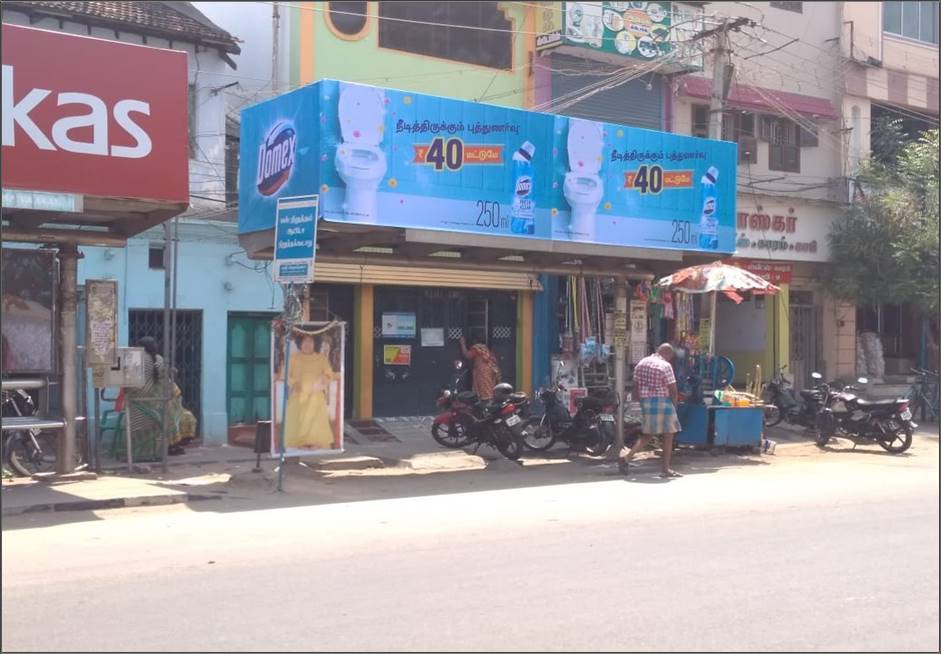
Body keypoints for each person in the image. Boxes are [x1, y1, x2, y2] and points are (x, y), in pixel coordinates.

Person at [619, 343, 683, 479]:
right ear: (668, 354)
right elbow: (673, 389)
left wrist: (636, 402)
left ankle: (628, 458)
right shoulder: (665, 366)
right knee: (668, 434)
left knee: (649, 433)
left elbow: (635, 386)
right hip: (662, 402)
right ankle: (663, 469)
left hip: (645, 401)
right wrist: (675, 406)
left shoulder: (641, 363)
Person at [124, 337, 185, 458]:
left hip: (137, 401)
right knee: (155, 429)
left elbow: (129, 383)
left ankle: (137, 454)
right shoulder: (159, 359)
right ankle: (155, 453)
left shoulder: (136, 358)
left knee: (136, 427)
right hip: (155, 402)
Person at [284, 332, 339, 450]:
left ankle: (316, 443)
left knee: (316, 420)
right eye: (305, 341)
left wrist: (324, 379)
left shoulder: (321, 358)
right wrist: (294, 383)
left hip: (316, 394)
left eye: (310, 341)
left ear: (315, 344)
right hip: (298, 394)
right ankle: (299, 443)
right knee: (297, 420)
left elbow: (329, 374)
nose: (307, 344)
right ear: (300, 343)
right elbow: (286, 374)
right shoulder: (294, 358)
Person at [459, 335, 501, 401]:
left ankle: (486, 403)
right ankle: (488, 401)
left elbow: (467, 355)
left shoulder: (476, 348)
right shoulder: (485, 348)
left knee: (484, 389)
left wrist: (462, 344)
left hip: (482, 371)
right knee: (489, 387)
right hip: (490, 370)